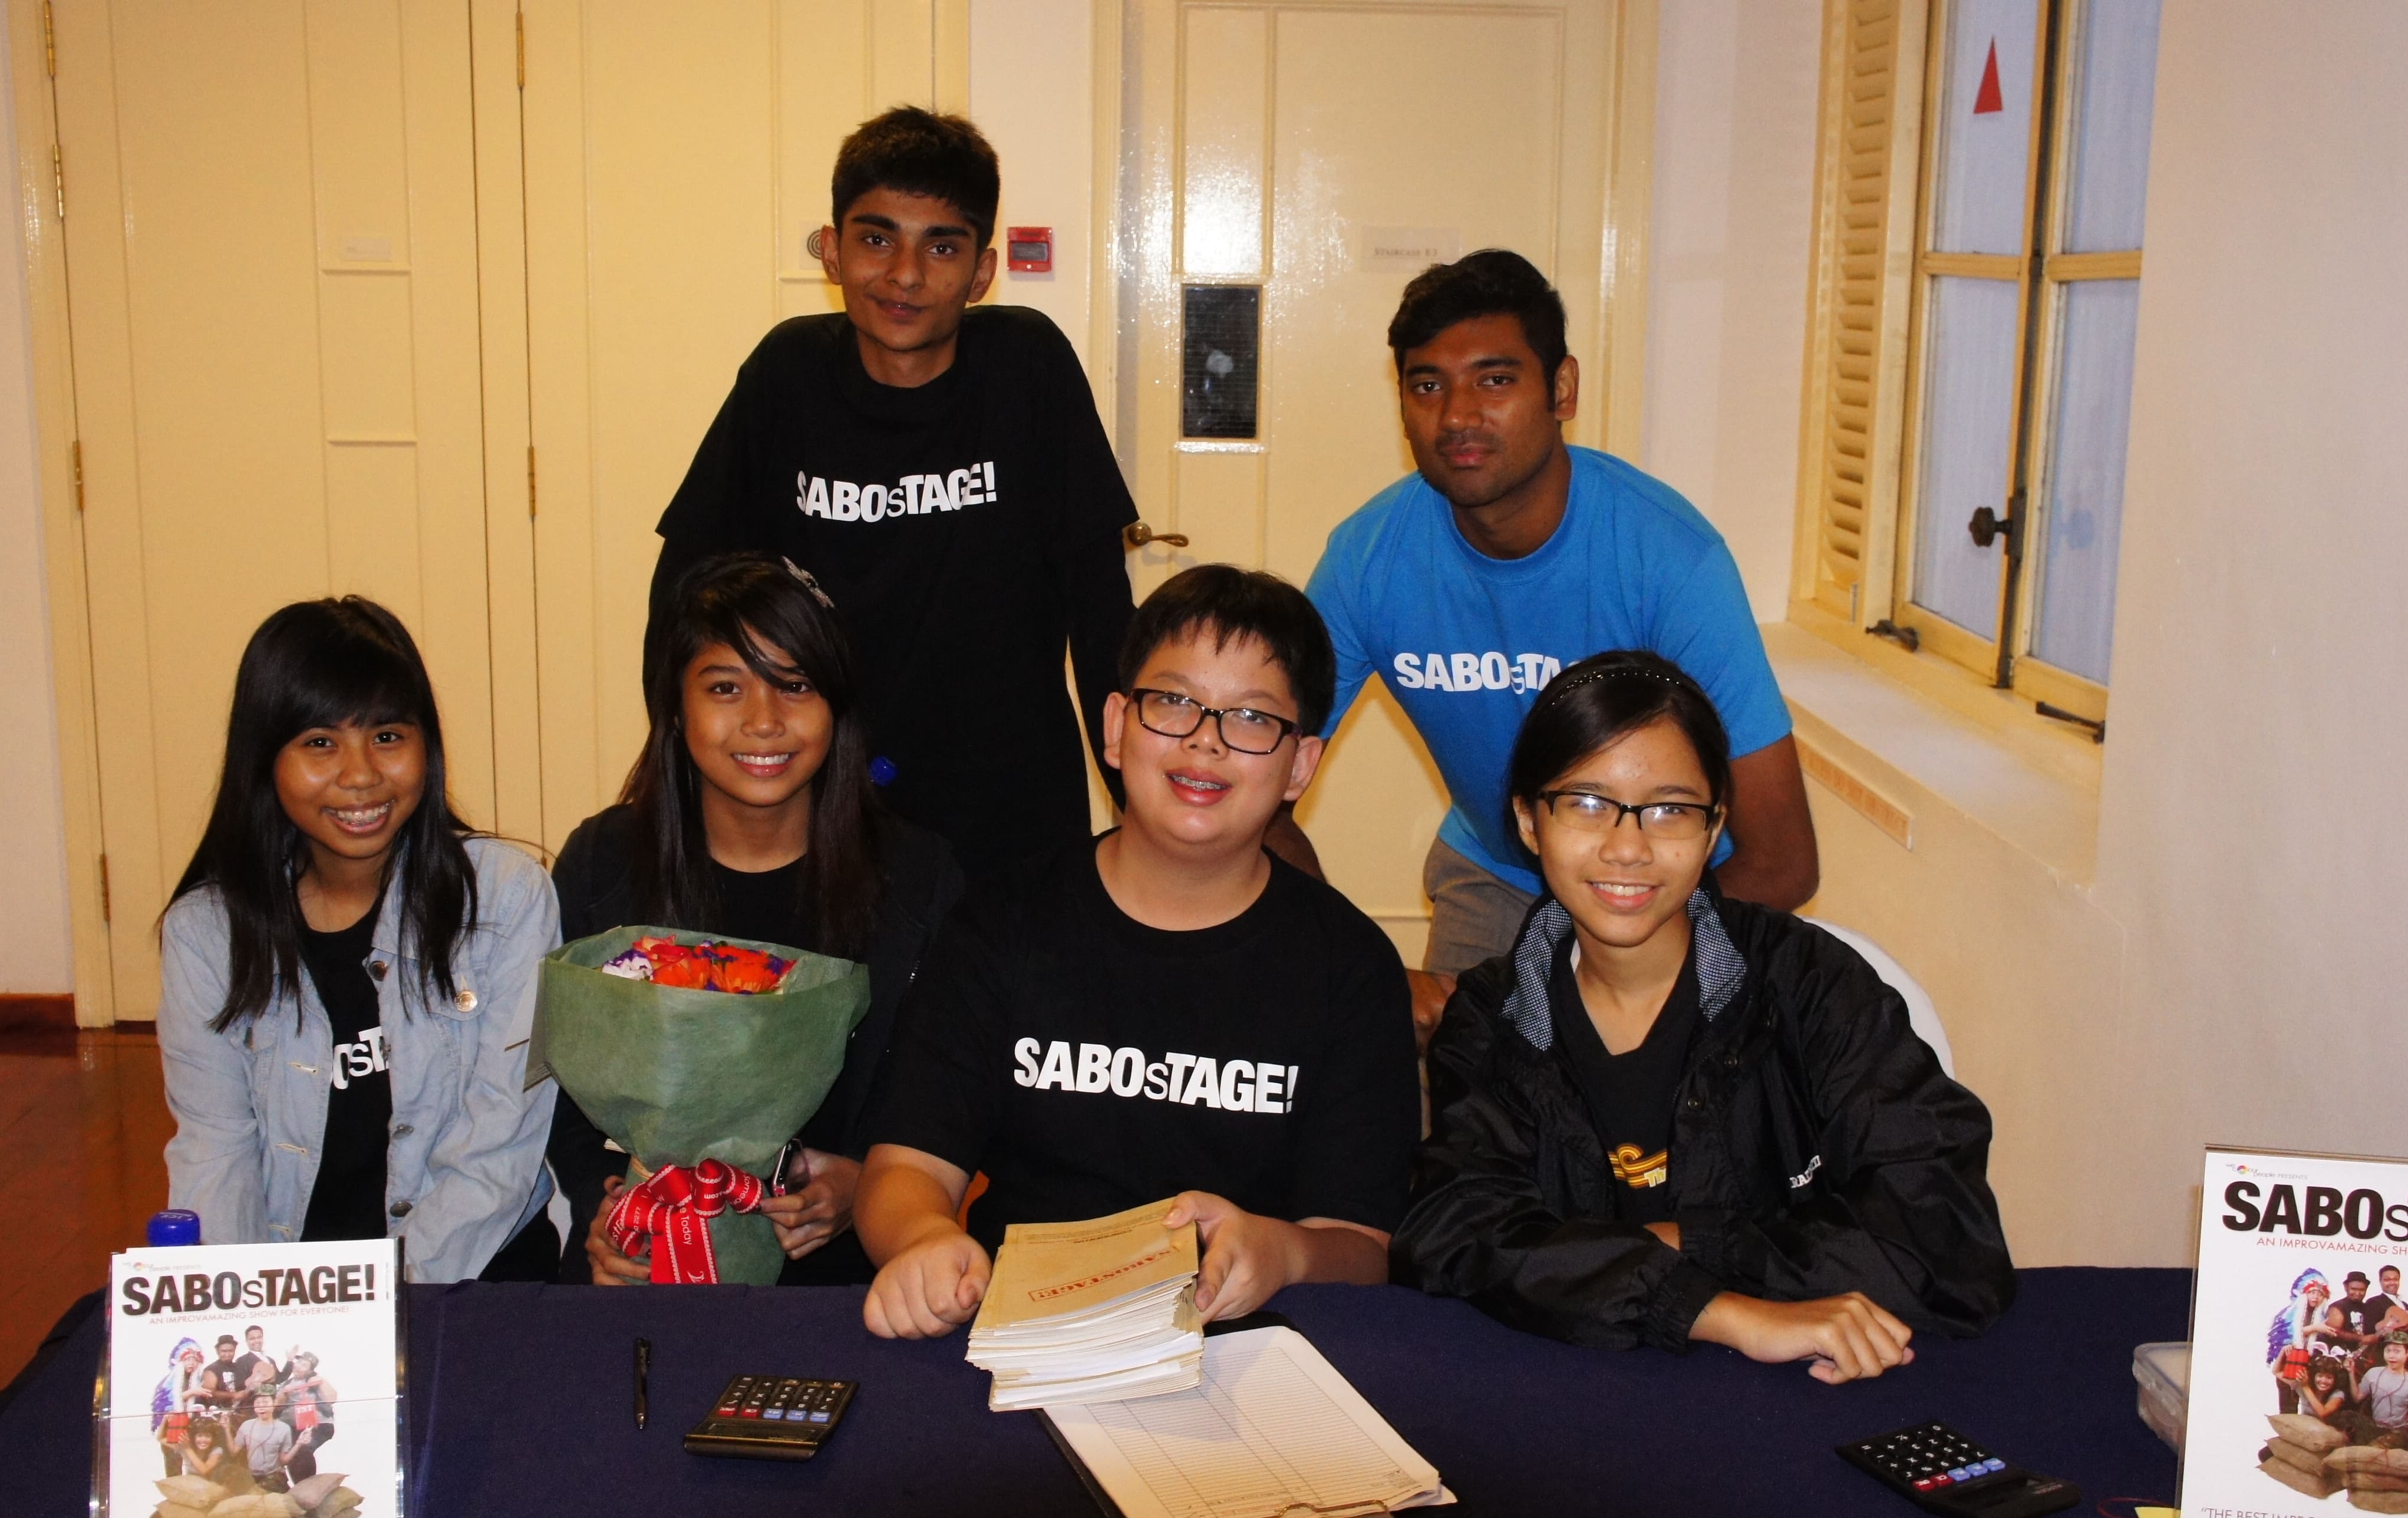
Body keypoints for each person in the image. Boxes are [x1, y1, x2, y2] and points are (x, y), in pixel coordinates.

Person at [1391, 651, 2011, 1378]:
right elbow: (1456, 1234)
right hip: (1583, 1397)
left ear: (1715, 823)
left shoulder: (1809, 984)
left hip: (1810, 1388)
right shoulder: (1494, 1016)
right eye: (1586, 802)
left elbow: (1946, 1237)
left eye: (1669, 809)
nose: (1627, 846)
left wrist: (1678, 1243)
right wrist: (1720, 1309)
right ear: (1529, 820)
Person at [853, 565, 1420, 1339]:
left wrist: (1282, 1252)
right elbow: (906, 1167)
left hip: (1244, 1351)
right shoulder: (1002, 922)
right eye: (1174, 704)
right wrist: (925, 1243)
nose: (1205, 743)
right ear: (1116, 726)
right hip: (1014, 1334)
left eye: (1251, 719)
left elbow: (1359, 1248)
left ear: (1301, 766)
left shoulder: (1348, 968)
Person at [1299, 250, 1816, 1044]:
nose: (1458, 415)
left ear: (1563, 390)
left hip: (1677, 893)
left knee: (1639, 1148)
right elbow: (1247, 782)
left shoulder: (1669, 559)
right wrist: (1352, 966)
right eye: (1427, 385)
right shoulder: (1369, 559)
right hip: (1498, 881)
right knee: (1447, 1137)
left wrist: (1567, 976)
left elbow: (1783, 862)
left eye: (1496, 380)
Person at [648, 106, 1138, 881]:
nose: (905, 275)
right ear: (833, 252)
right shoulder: (788, 376)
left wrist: (1139, 809)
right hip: (828, 807)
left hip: (1010, 811)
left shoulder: (1027, 371)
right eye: (877, 239)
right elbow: (685, 592)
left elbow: (1102, 610)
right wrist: (684, 776)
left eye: (941, 246)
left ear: (982, 270)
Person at [549, 553, 965, 1286]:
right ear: (676, 708)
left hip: (847, 1278)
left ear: (836, 705)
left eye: (795, 685)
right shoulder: (602, 863)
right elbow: (555, 1087)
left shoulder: (917, 878)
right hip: (639, 1269)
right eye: (725, 687)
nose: (763, 721)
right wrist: (606, 1211)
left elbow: (951, 1088)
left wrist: (871, 1182)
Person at [157, 598, 562, 1282]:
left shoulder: (503, 897)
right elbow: (214, 1150)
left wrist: (381, 1303)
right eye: (320, 742)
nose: (360, 774)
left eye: (387, 736)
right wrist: (248, 1306)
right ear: (265, 757)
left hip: (469, 1276)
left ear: (425, 745)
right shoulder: (207, 932)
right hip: (295, 1299)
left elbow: (500, 1146)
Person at [2270, 1275, 2334, 1414]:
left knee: (2308, 1406)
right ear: (2305, 1294)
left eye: (2320, 1294)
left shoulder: (2323, 1316)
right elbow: (2288, 1335)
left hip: (2307, 1367)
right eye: (2312, 1293)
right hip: (2288, 1364)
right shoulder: (2290, 1314)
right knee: (2288, 1410)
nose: (2315, 1297)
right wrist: (2315, 1328)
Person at [2354, 1339, 2408, 1449]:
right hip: (2375, 1428)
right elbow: (2357, 1397)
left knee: (2375, 1449)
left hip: (2401, 1431)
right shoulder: (2373, 1373)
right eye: (2388, 1351)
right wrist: (2350, 1372)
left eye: (2397, 1351)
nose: (2392, 1356)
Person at [278, 1349, 338, 1484]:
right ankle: (298, 1486)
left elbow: (332, 1398)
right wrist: (284, 1394)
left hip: (317, 1425)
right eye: (299, 1363)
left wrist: (321, 1382)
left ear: (310, 1371)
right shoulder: (286, 1384)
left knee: (303, 1449)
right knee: (291, 1452)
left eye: (304, 1365)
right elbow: (278, 1406)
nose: (299, 1366)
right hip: (291, 1427)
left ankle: (309, 1485)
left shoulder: (316, 1380)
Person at [151, 1339, 209, 1474]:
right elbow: (166, 1404)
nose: (192, 1364)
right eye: (188, 1360)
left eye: (195, 1360)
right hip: (172, 1429)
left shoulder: (201, 1380)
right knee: (173, 1464)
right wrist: (193, 1392)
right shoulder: (168, 1383)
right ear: (181, 1361)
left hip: (191, 1428)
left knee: (194, 1463)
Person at [230, 1389, 298, 1494]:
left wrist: (300, 1443)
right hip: (252, 1476)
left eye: (266, 1402)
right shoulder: (246, 1426)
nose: (261, 1406)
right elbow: (234, 1451)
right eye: (258, 1403)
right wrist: (225, 1428)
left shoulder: (284, 1428)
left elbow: (284, 1460)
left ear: (274, 1403)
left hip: (274, 1476)